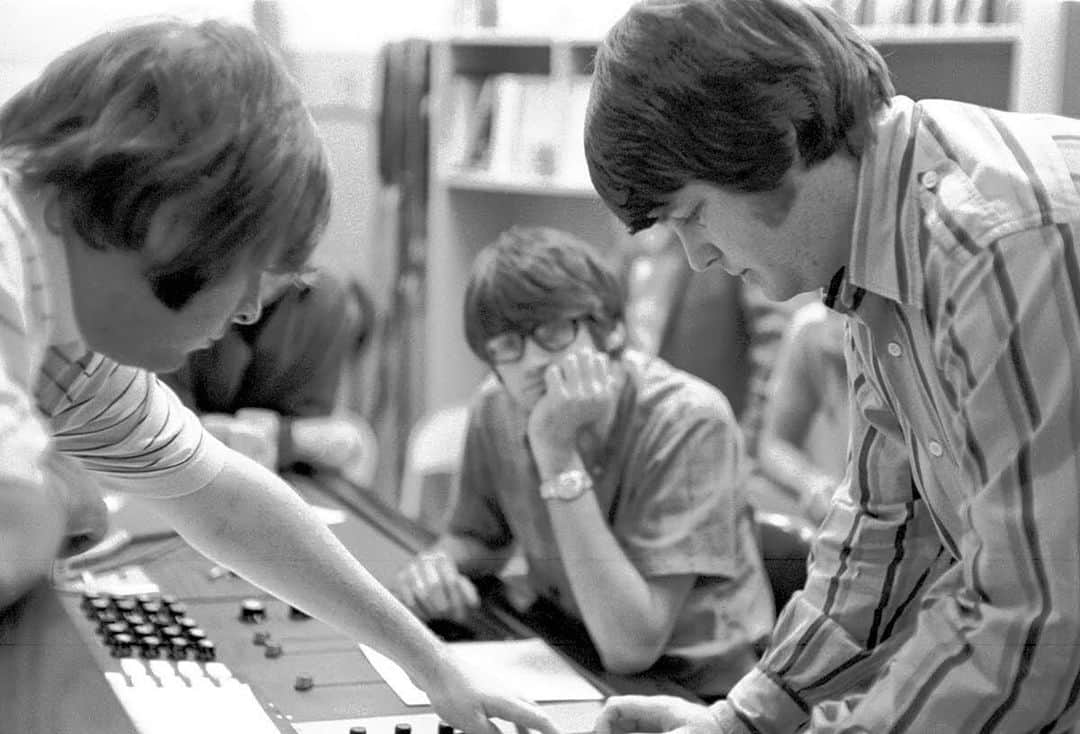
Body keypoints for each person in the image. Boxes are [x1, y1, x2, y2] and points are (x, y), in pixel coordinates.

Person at [0, 18, 556, 734]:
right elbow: (11, 522)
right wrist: (50, 500)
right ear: (173, 223)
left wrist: (432, 664)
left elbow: (224, 499)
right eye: (254, 269)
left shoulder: (70, 330)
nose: (255, 307)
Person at [584, 0, 1080, 730]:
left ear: (772, 141)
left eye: (691, 214)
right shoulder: (875, 250)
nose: (699, 257)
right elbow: (884, 534)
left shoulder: (989, 243)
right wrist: (739, 723)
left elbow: (1029, 624)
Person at [395, 226, 775, 700]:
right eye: (507, 345)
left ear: (610, 331)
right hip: (570, 652)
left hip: (699, 689)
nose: (532, 361)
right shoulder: (497, 406)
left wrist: (557, 454)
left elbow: (632, 646)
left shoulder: (689, 419)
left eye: (555, 332)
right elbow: (478, 538)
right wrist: (438, 567)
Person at [159, 267, 373, 477]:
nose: (251, 311)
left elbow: (309, 423)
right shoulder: (188, 278)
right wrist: (287, 438)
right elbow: (162, 424)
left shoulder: (327, 301)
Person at [757, 301, 849, 527]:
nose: (834, 324)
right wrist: (810, 482)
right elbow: (773, 444)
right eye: (830, 309)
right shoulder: (811, 329)